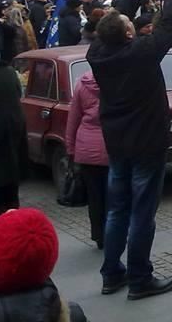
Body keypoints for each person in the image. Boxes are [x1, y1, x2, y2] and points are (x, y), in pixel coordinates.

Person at [87, 0, 172, 300]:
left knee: (117, 210)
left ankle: (112, 273)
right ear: (129, 34)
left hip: (117, 142)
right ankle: (140, 277)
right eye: (131, 24)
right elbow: (170, 26)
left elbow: (110, 25)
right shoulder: (141, 53)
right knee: (142, 212)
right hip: (147, 144)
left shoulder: (96, 54)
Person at [64, 70, 109, 250]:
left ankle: (98, 234)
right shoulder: (115, 82)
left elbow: (73, 119)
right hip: (111, 148)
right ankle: (112, 232)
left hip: (86, 149)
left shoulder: (82, 85)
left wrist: (70, 148)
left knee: (94, 196)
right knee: (112, 195)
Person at [0, 54, 26, 215]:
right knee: (11, 171)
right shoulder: (9, 72)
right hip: (13, 127)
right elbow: (18, 94)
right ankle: (12, 212)